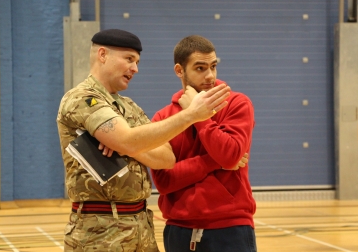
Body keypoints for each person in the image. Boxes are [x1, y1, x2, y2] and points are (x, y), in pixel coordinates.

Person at [56, 29, 231, 252]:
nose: (135, 69)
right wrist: (190, 115)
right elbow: (130, 141)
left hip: (140, 228)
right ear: (102, 55)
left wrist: (124, 145)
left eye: (137, 62)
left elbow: (166, 158)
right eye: (129, 59)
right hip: (98, 231)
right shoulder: (83, 99)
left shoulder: (129, 106)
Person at [151, 35, 257, 252]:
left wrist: (199, 116)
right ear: (180, 71)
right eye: (200, 68)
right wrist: (214, 162)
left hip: (231, 228)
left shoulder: (237, 104)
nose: (209, 75)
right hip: (178, 231)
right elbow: (164, 181)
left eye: (213, 66)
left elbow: (230, 155)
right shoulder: (163, 118)